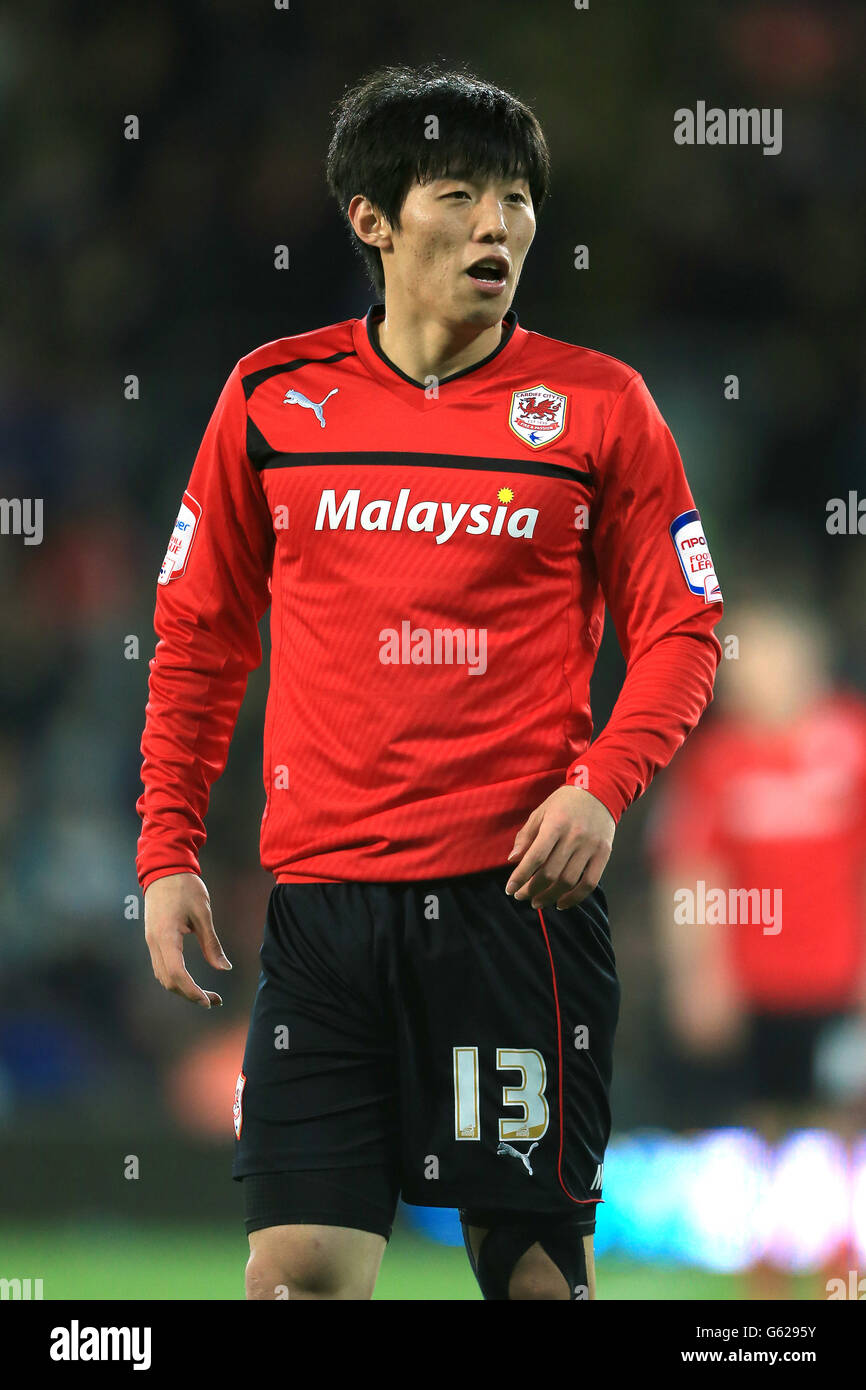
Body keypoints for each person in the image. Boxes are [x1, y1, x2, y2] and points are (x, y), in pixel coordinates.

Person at [137, 64, 723, 1301]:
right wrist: (167, 849)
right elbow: (196, 638)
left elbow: (682, 629)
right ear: (372, 218)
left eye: (516, 198)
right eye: (458, 192)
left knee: (530, 1278)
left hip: (512, 910)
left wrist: (602, 788)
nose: (496, 225)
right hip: (323, 913)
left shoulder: (599, 407)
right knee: (295, 1276)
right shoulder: (269, 400)